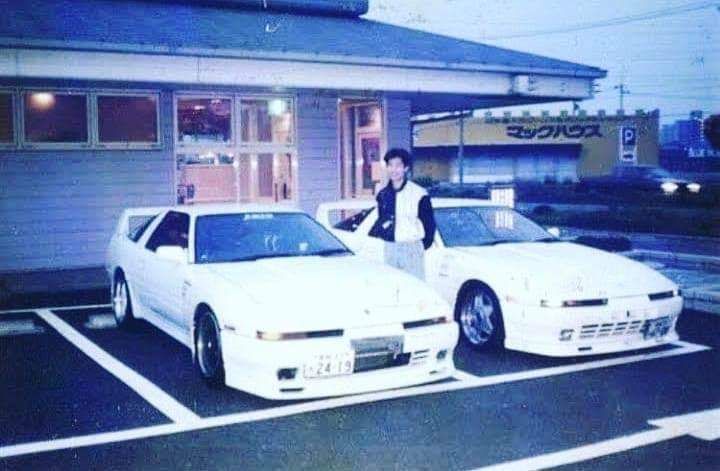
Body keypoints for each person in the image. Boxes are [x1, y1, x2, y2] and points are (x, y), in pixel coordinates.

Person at [368, 148, 436, 280]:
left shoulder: (419, 193)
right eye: (390, 165)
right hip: (390, 247)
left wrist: (422, 245)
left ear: (406, 168)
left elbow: (429, 224)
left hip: (411, 248)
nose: (394, 169)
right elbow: (382, 220)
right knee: (392, 287)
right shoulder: (383, 195)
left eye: (398, 165)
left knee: (413, 287)